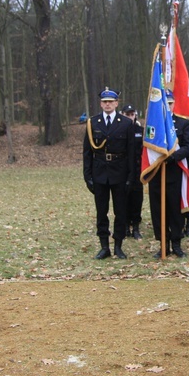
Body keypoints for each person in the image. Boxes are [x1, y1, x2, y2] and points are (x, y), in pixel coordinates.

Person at [83, 88, 135, 259]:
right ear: (100, 103)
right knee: (101, 211)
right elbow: (87, 152)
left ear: (116, 103)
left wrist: (130, 177)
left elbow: (131, 153)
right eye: (104, 102)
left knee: (120, 212)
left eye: (110, 102)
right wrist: (87, 176)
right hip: (99, 174)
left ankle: (118, 245)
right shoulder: (93, 122)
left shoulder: (126, 123)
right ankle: (104, 246)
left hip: (119, 173)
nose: (107, 104)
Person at [148, 90, 189, 258]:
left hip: (175, 172)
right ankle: (163, 244)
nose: (167, 106)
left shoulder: (182, 123)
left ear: (174, 104)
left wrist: (173, 157)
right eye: (164, 103)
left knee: (175, 210)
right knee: (158, 210)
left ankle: (176, 243)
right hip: (157, 173)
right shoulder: (152, 124)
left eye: (170, 103)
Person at [122, 104, 144, 240]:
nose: (130, 117)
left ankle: (135, 227)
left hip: (137, 170)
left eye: (132, 114)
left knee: (137, 199)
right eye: (127, 114)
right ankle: (125, 227)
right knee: (123, 199)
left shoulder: (140, 130)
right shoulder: (119, 129)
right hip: (122, 170)